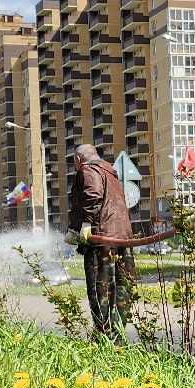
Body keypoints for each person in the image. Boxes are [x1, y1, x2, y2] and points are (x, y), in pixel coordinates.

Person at [66, 144, 134, 340]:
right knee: (122, 289)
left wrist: (85, 224)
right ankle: (118, 336)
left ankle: (105, 338)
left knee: (100, 290)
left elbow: (92, 195)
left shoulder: (88, 169)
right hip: (122, 238)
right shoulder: (112, 174)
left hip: (101, 241)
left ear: (78, 159)